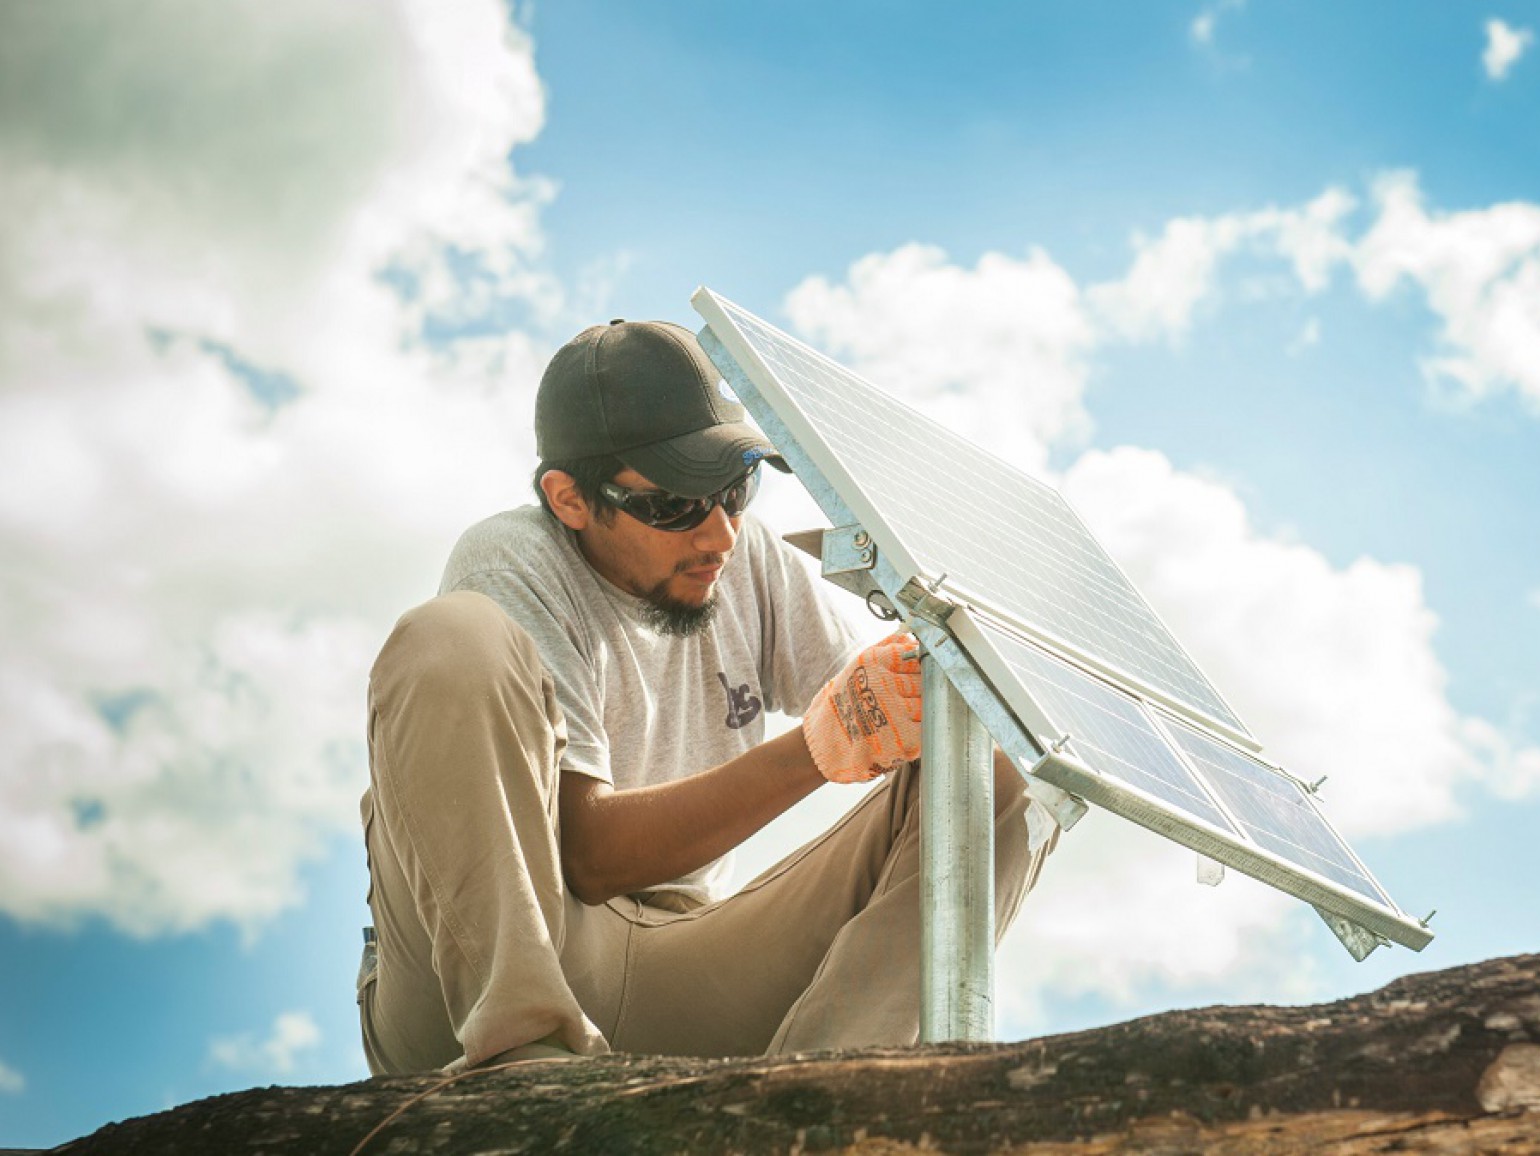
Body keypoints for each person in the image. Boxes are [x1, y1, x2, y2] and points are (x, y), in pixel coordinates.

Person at [356, 318, 1056, 1074]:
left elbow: (885, 715)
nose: (717, 535)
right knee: (449, 636)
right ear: (569, 500)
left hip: (680, 962)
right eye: (673, 505)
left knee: (1001, 767)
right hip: (500, 959)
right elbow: (589, 859)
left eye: (734, 490)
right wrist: (819, 750)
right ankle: (520, 1057)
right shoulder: (512, 565)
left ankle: (820, 1099)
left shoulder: (738, 556)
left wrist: (933, 688)